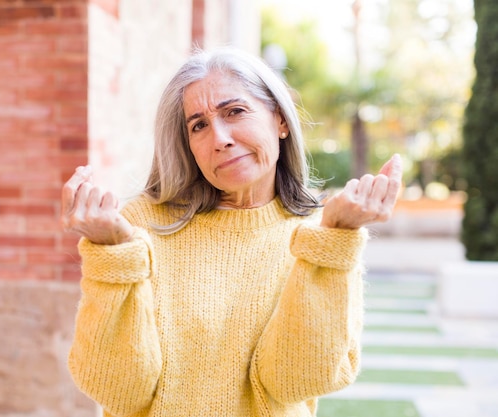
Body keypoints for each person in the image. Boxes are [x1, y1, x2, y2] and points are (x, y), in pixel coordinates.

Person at [62, 47, 402, 417]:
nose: (219, 138)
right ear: (188, 146)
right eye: (199, 125)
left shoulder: (321, 234)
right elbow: (117, 389)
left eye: (234, 111)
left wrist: (335, 237)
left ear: (280, 120)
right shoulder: (139, 227)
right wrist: (111, 253)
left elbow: (297, 382)